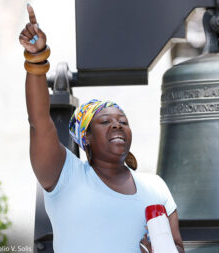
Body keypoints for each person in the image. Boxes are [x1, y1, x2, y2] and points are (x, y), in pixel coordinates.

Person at [19, 4, 184, 253]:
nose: (117, 124)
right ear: (85, 137)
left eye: (123, 121)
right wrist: (36, 57)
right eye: (105, 121)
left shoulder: (156, 187)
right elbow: (39, 122)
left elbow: (178, 247)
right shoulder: (65, 176)